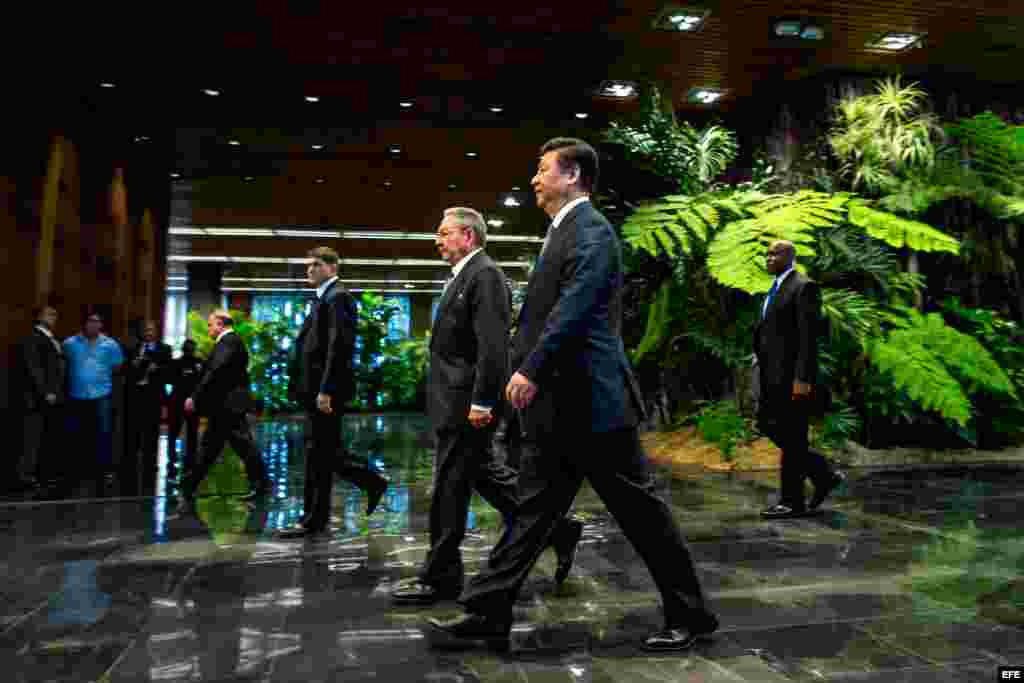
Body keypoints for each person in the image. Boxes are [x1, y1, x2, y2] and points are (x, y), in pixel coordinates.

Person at [428, 138, 718, 653]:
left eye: (544, 170)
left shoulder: (592, 231)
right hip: (560, 411)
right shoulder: (561, 232)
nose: (535, 179)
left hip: (594, 406)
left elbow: (576, 307)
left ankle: (692, 616)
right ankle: (487, 612)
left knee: (643, 517)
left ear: (574, 176)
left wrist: (531, 368)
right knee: (531, 514)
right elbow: (546, 313)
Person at [392, 208, 581, 605]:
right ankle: (558, 529)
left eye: (444, 233)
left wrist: (482, 401)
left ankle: (440, 576)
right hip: (453, 402)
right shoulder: (463, 276)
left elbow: (493, 347)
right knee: (483, 478)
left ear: (468, 236)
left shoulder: (485, 275)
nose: (437, 240)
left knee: (448, 488)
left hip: (466, 405)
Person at [278, 247, 388, 539]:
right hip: (313, 390)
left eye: (315, 264)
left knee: (319, 454)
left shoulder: (338, 297)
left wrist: (326, 390)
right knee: (324, 453)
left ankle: (313, 519)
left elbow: (339, 348)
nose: (309, 270)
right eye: (308, 265)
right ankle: (367, 484)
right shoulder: (324, 298)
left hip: (323, 392)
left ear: (331, 267)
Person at [754, 240, 843, 519]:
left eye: (775, 253)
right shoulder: (774, 288)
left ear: (790, 258)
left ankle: (792, 501)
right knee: (768, 425)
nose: (769, 258)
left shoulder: (803, 287)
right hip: (772, 376)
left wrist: (802, 378)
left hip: (792, 377)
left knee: (792, 435)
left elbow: (808, 338)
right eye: (767, 253)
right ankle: (823, 472)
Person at [179, 310, 270, 510]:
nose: (209, 328)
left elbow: (215, 371)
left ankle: (262, 484)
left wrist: (195, 396)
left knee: (227, 446)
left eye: (211, 324)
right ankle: (189, 484)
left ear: (221, 324)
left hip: (228, 405)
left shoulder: (229, 341)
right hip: (227, 405)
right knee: (216, 446)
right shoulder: (230, 342)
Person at [63, 312, 124, 498]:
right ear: (83, 323)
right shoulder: (69, 344)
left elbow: (117, 367)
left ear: (101, 324)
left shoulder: (111, 345)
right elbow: (62, 365)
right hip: (76, 396)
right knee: (76, 436)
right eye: (90, 321)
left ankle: (102, 474)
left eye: (97, 321)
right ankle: (76, 474)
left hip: (101, 396)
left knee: (102, 435)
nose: (94, 324)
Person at [15, 305, 66, 492]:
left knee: (43, 439)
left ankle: (39, 475)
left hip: (51, 398)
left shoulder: (51, 338)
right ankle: (25, 477)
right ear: (38, 317)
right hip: (36, 399)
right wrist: (46, 392)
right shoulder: (33, 337)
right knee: (31, 438)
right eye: (49, 314)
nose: (54, 316)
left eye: (55, 314)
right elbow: (34, 368)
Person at [122, 320, 172, 496]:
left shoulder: (164, 349)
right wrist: (133, 366)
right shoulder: (132, 348)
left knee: (151, 435)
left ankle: (151, 468)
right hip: (134, 398)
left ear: (156, 331)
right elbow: (124, 371)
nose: (149, 332)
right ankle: (128, 470)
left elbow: (169, 373)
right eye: (146, 330)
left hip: (153, 399)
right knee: (131, 436)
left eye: (152, 329)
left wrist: (156, 368)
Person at [167, 339, 204, 487]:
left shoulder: (199, 363)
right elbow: (170, 379)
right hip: (177, 401)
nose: (189, 350)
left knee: (192, 431)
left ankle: (190, 458)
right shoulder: (176, 363)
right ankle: (173, 457)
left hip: (192, 402)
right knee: (174, 430)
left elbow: (202, 380)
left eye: (191, 348)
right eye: (188, 348)